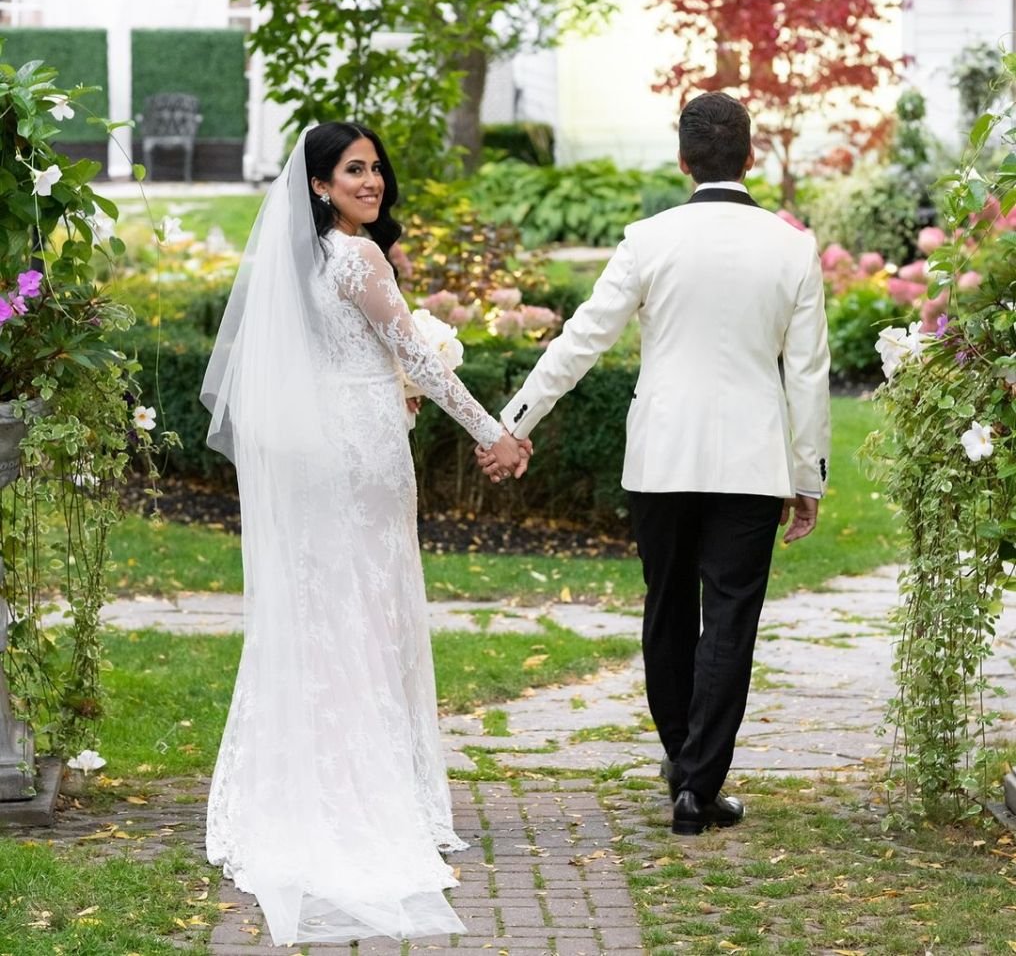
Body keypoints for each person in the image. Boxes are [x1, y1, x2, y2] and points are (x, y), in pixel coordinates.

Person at [200, 122, 528, 945]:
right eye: (353, 171)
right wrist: (495, 433)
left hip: (327, 450)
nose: (371, 182)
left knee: (326, 605)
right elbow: (421, 357)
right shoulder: (361, 258)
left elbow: (346, 361)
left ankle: (310, 774)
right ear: (318, 186)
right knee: (372, 607)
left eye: (377, 169)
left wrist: (392, 387)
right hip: (364, 459)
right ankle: (375, 792)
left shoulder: (301, 266)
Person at [478, 91, 830, 835]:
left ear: (682, 161)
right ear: (751, 157)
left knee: (667, 608)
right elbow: (807, 375)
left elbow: (581, 341)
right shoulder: (792, 246)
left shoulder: (648, 238)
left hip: (661, 457)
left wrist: (511, 420)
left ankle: (683, 767)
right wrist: (808, 476)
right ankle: (698, 785)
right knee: (731, 619)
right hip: (748, 463)